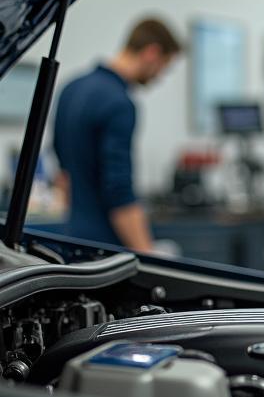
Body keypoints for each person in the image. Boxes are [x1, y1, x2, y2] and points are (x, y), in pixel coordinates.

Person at [53, 16, 181, 252]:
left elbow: (63, 176)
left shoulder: (70, 88)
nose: (159, 77)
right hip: (107, 248)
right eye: (164, 67)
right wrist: (147, 257)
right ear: (152, 53)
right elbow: (118, 190)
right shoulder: (120, 103)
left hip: (72, 239)